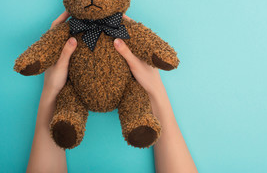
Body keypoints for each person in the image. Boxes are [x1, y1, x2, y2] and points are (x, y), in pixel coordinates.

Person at [26, 11, 198, 173]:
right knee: (67, 112)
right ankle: (66, 128)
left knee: (132, 97)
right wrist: (157, 91)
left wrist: (50, 92)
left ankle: (138, 125)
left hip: (124, 90)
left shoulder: (120, 27)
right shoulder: (71, 29)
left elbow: (148, 42)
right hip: (77, 91)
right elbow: (46, 47)